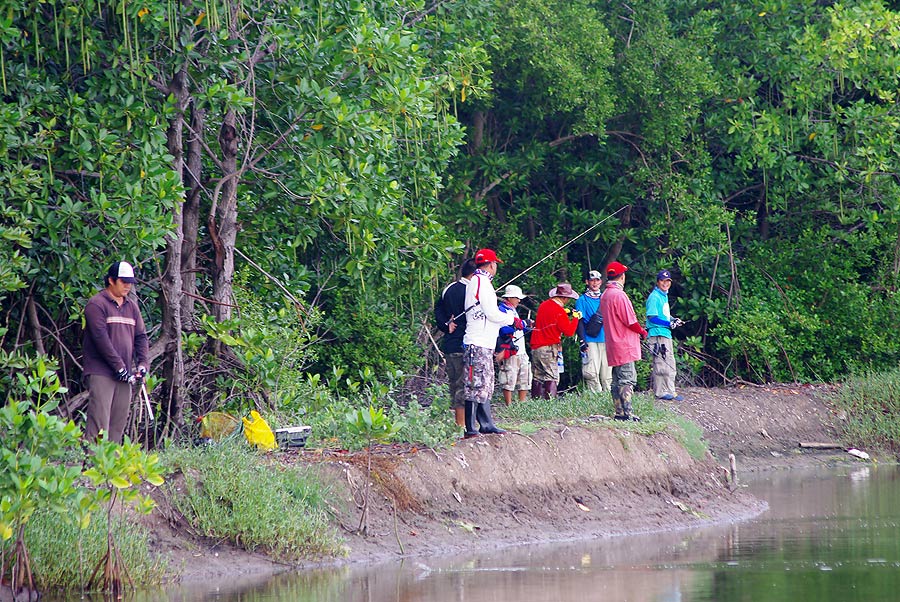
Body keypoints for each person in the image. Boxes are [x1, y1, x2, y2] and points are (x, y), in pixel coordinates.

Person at [82, 261, 150, 443]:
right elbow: (101, 340)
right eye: (123, 281)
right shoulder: (96, 304)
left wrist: (143, 364)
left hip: (124, 374)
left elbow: (141, 337)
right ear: (111, 280)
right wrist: (119, 367)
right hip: (101, 372)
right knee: (99, 424)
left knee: (117, 425)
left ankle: (111, 469)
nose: (128, 285)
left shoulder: (132, 307)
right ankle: (92, 467)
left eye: (130, 282)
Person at [463, 249, 526, 437]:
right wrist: (511, 320)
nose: (496, 267)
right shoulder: (481, 282)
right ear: (491, 265)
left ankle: (486, 423)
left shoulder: (480, 281)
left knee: (485, 383)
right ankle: (471, 427)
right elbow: (491, 313)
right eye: (496, 264)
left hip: (484, 343)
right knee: (475, 383)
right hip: (477, 342)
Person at [600, 261, 647, 421]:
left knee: (616, 380)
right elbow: (630, 321)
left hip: (612, 344)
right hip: (624, 344)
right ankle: (628, 414)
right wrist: (642, 331)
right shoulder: (619, 295)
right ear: (622, 277)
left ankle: (619, 412)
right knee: (627, 379)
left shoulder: (605, 295)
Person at [434, 259, 477, 427]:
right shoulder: (471, 292)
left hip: (450, 344)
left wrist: (445, 325)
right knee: (463, 386)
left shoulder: (448, 289)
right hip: (464, 344)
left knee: (455, 384)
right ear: (473, 275)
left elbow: (438, 310)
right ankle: (462, 425)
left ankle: (460, 424)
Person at [529, 283, 581, 399]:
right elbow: (569, 332)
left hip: (536, 346)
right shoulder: (559, 311)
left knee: (537, 376)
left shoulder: (543, 305)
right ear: (564, 297)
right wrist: (576, 318)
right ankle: (550, 403)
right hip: (548, 347)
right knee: (551, 376)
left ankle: (536, 401)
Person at [646, 269, 684, 401]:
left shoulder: (663, 296)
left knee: (670, 363)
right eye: (662, 280)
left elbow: (664, 315)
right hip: (657, 335)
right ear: (658, 282)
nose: (665, 283)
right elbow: (652, 317)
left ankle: (671, 391)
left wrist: (673, 320)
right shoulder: (654, 297)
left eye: (668, 281)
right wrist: (668, 323)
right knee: (661, 364)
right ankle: (661, 392)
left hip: (665, 334)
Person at [575, 270, 612, 392]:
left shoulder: (606, 297)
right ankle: (594, 397)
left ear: (601, 282)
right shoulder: (581, 300)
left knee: (607, 374)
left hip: (606, 339)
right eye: (592, 280)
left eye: (597, 280)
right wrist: (582, 340)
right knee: (591, 372)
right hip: (590, 339)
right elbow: (579, 321)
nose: (595, 283)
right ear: (587, 282)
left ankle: (609, 398)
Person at [495, 285, 532, 405]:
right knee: (509, 378)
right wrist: (520, 324)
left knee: (525, 378)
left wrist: (526, 327)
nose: (519, 300)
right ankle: (509, 405)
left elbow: (518, 328)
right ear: (510, 298)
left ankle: (521, 404)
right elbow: (502, 330)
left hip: (521, 350)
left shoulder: (513, 310)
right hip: (510, 349)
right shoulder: (502, 309)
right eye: (517, 298)